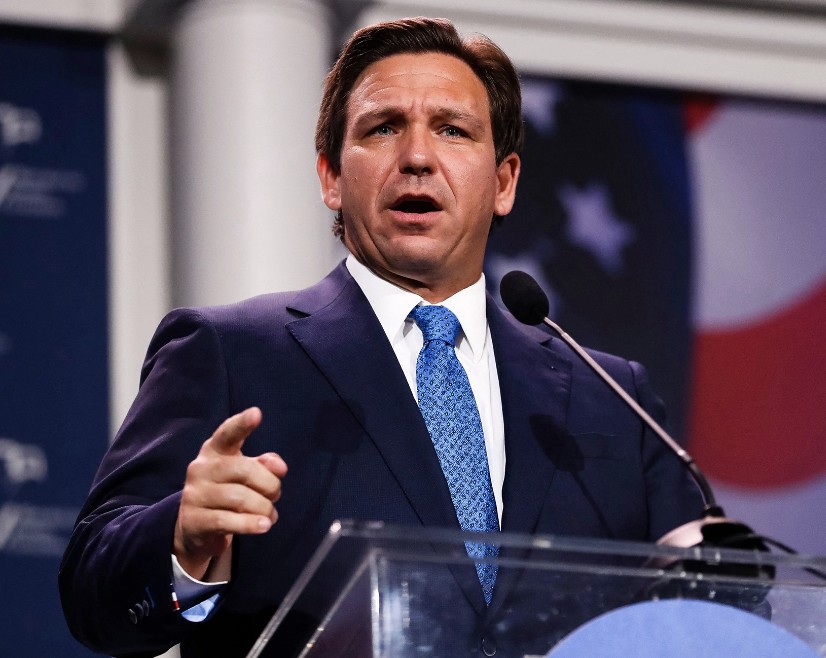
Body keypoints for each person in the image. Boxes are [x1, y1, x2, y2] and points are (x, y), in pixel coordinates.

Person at [59, 17, 703, 658]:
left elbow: (704, 610)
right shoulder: (231, 351)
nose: (417, 157)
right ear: (331, 177)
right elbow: (94, 593)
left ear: (504, 183)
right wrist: (181, 542)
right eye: (383, 128)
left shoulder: (614, 396)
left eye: (452, 130)